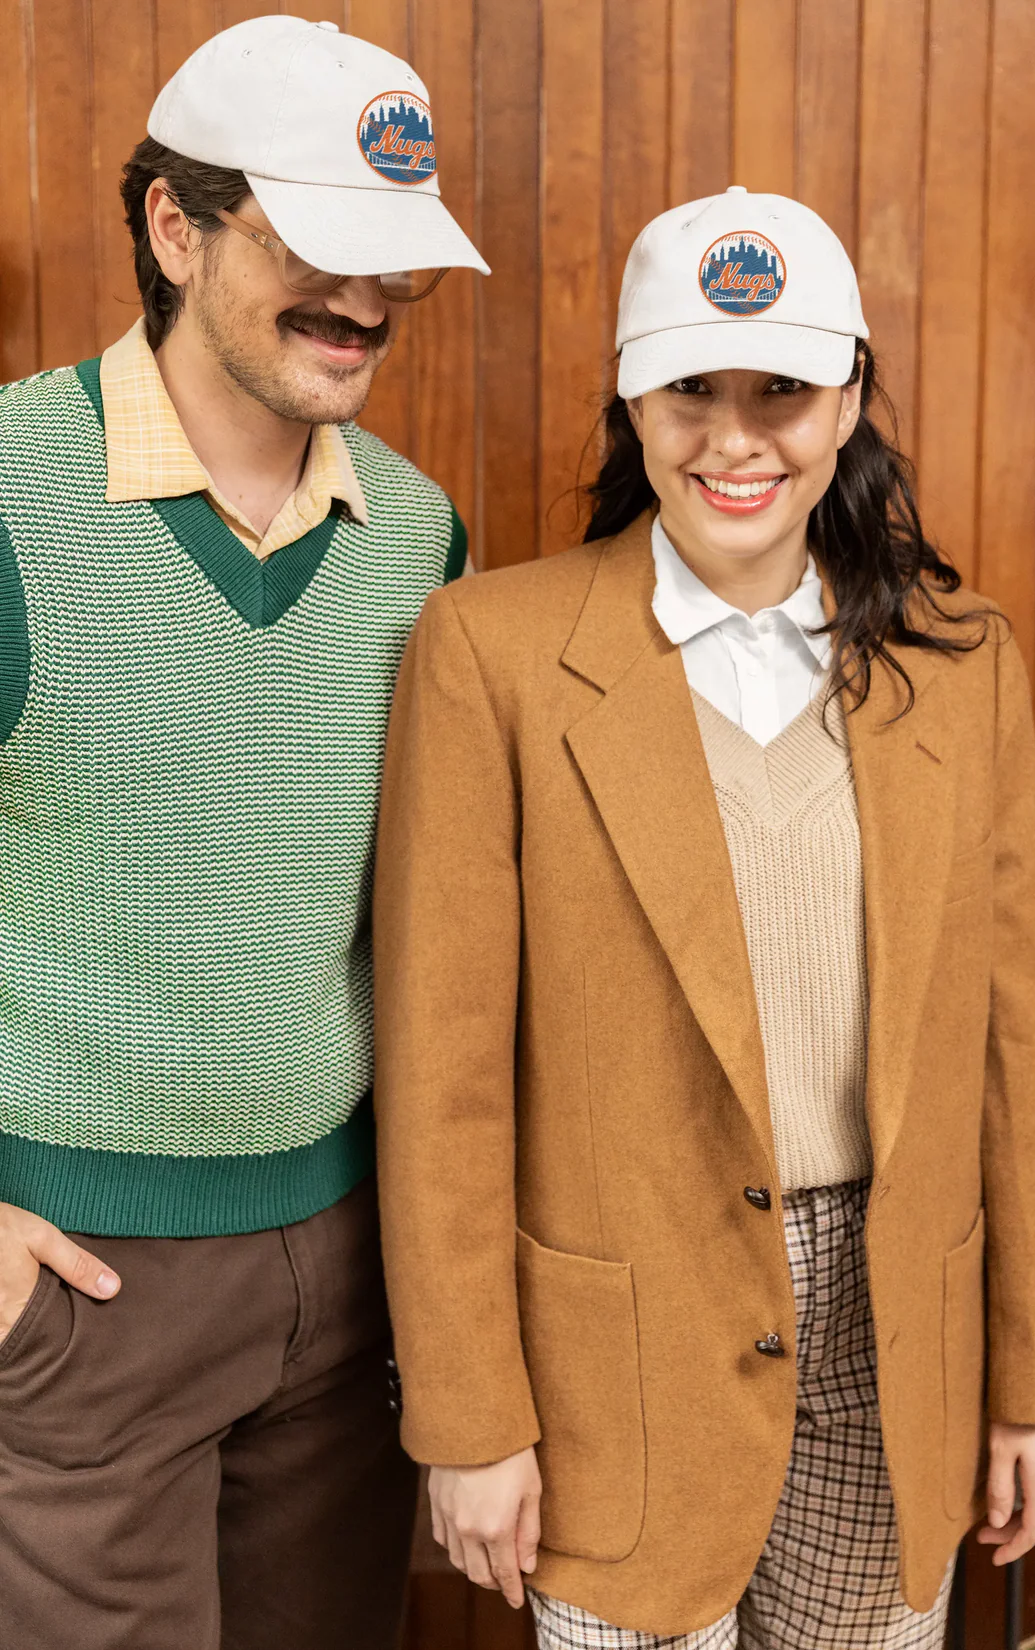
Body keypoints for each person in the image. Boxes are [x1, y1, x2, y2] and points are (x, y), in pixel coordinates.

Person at [372, 186, 1035, 1648]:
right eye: (692, 388)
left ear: (850, 402)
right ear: (631, 400)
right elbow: (442, 1072)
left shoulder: (964, 664)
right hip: (613, 1364)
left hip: (899, 1340)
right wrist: (466, 1415)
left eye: (782, 391)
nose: (734, 437)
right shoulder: (492, 656)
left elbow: (1019, 1048)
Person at [0, 16, 487, 1649]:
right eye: (315, 244)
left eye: (393, 261)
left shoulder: (420, 535)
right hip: (78, 1284)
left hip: (350, 1279)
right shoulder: (6, 491)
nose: (365, 301)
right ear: (172, 226)